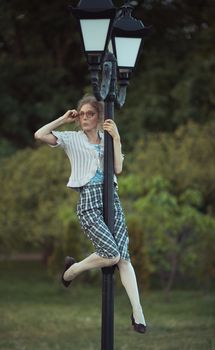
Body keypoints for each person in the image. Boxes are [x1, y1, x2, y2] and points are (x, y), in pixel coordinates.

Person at [34, 95, 147, 333]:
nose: (85, 118)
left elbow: (117, 168)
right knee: (112, 255)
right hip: (89, 201)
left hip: (112, 199)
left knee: (123, 258)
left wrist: (116, 137)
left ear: (99, 117)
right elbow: (39, 134)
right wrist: (63, 120)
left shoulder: (107, 139)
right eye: (82, 114)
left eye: (90, 114)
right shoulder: (72, 139)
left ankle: (138, 315)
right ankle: (72, 270)